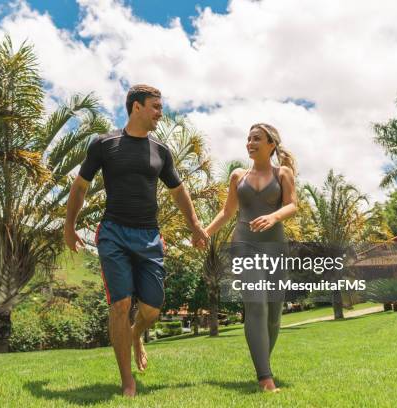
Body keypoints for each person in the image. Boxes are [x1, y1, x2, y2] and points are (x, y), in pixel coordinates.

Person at [64, 84, 208, 397]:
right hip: (114, 232)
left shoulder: (161, 151)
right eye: (155, 107)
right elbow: (79, 187)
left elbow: (178, 191)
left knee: (152, 310)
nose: (160, 113)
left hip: (149, 236)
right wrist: (69, 225)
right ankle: (127, 382)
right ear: (137, 107)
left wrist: (195, 225)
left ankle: (136, 334)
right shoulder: (105, 144)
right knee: (121, 303)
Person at [205, 123, 297, 392]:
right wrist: (205, 233)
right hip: (244, 245)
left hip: (275, 247)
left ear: (271, 144)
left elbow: (292, 204)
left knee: (274, 315)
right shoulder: (238, 175)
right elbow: (227, 212)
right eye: (248, 139)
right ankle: (265, 377)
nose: (250, 143)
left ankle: (262, 363)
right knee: (256, 306)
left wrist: (273, 216)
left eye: (257, 138)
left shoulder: (283, 173)